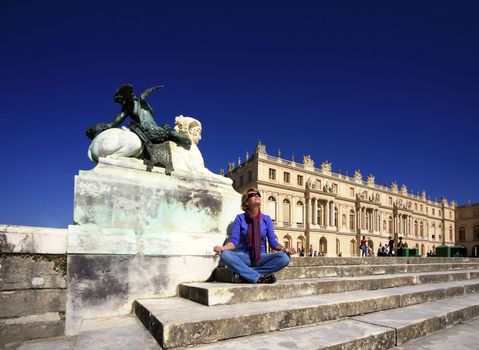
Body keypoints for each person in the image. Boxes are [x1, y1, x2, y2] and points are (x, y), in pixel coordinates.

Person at [213, 188, 295, 283]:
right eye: (252, 195)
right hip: (245, 257)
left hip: (262, 257)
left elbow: (273, 242)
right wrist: (223, 248)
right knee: (225, 255)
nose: (256, 195)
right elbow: (234, 241)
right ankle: (258, 276)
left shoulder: (266, 219)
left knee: (284, 258)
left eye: (258, 194)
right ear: (246, 202)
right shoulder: (240, 218)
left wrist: (285, 249)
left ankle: (247, 275)